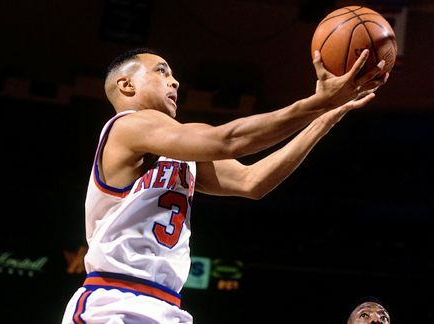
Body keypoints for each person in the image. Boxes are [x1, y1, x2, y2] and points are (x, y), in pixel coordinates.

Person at [61, 47, 388, 323]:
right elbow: (228, 139)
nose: (174, 80)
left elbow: (252, 181)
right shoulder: (127, 126)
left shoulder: (181, 153)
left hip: (166, 306)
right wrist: (316, 101)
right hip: (114, 303)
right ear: (127, 85)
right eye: (162, 72)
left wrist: (323, 119)